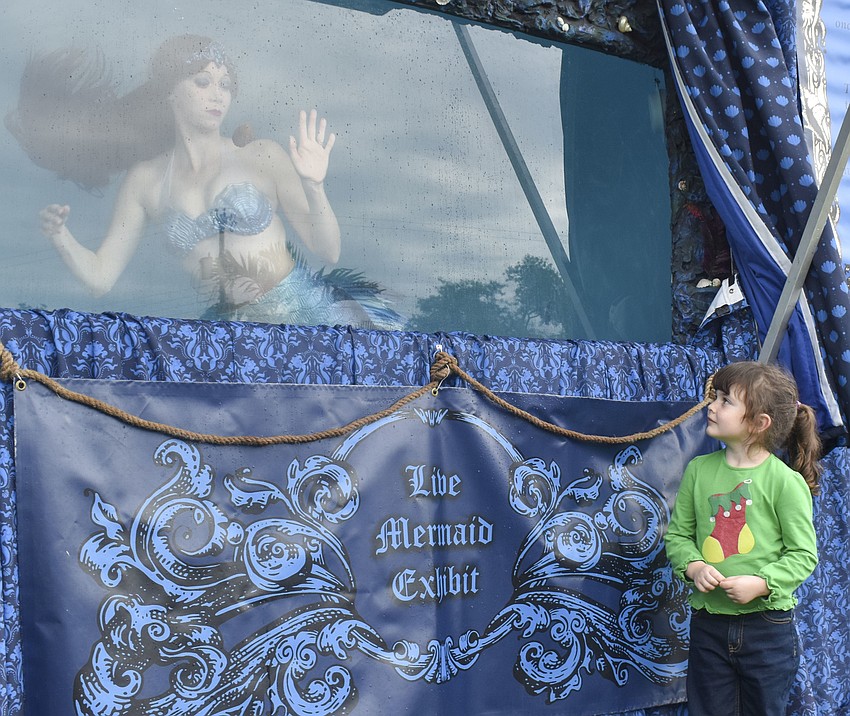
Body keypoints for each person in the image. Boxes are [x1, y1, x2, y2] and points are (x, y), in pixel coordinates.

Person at [6, 35, 403, 328]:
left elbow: (328, 251)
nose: (217, 95)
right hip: (232, 336)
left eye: (225, 85)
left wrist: (315, 185)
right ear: (169, 92)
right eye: (202, 82)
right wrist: (61, 237)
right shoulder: (145, 181)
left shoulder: (261, 155)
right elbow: (100, 279)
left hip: (315, 323)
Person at [665, 361, 821, 716]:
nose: (712, 406)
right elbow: (677, 537)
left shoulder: (784, 482)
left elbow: (803, 554)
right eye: (714, 397)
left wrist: (762, 582)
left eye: (725, 401)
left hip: (767, 629)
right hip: (709, 625)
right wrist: (694, 566)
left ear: (758, 423)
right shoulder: (698, 471)